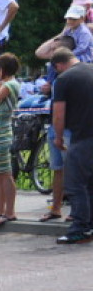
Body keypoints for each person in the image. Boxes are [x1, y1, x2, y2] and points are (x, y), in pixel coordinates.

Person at [50, 48, 93, 244]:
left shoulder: (64, 79)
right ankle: (90, 225)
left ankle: (80, 228)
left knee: (75, 185)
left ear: (58, 65)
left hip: (82, 137)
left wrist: (58, 137)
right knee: (90, 185)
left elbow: (59, 113)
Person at [0, 53, 21, 226]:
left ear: (3, 70)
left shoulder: (10, 84)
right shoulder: (8, 84)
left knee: (6, 174)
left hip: (1, 133)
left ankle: (10, 211)